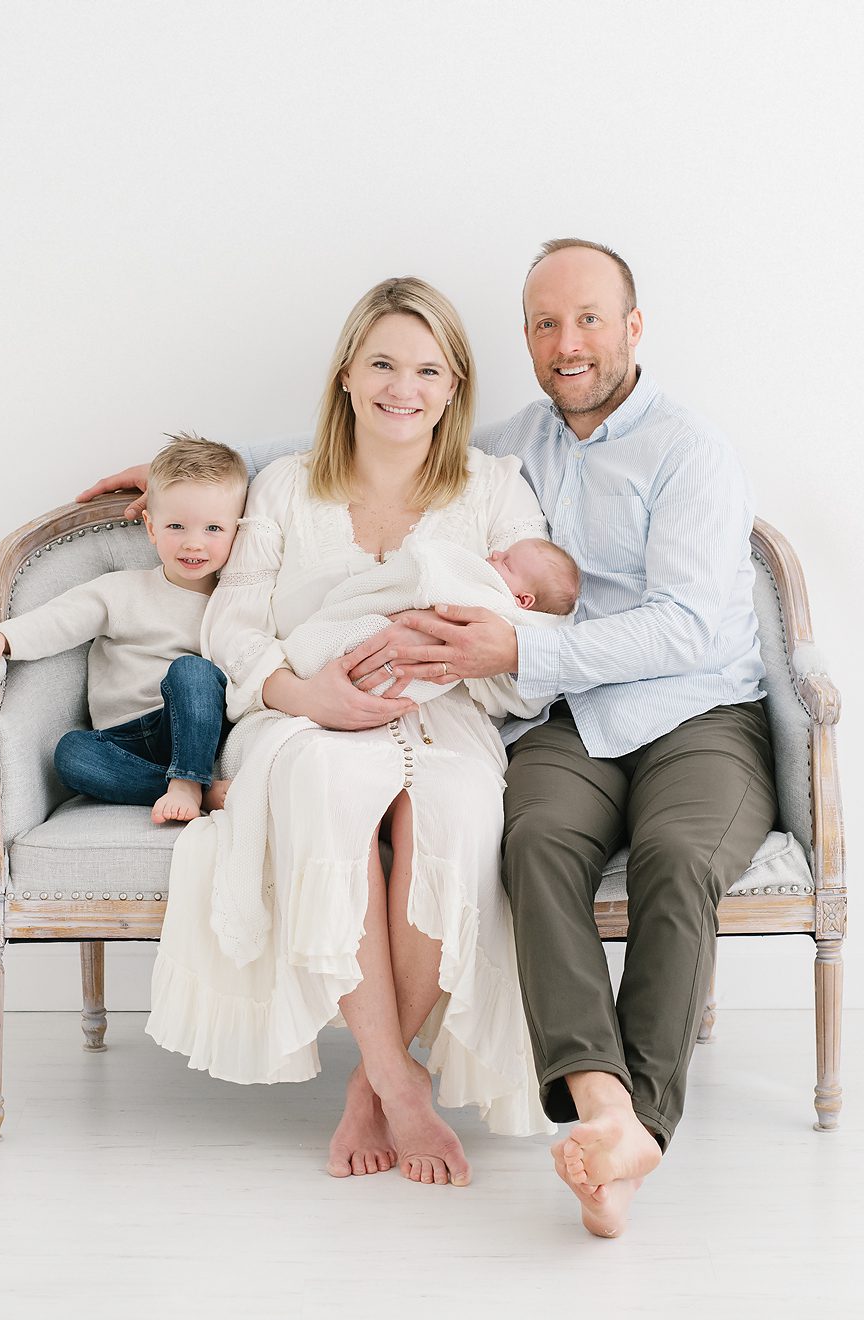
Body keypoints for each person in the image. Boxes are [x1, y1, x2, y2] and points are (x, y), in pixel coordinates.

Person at [79, 240, 775, 1238]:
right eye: (545, 323)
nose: (567, 343)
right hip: (412, 708)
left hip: (636, 708)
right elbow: (273, 559)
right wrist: (196, 484)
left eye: (587, 320)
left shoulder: (628, 459)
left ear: (632, 327)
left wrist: (490, 650)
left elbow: (646, 626)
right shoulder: (460, 454)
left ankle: (571, 1114)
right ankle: (430, 1090)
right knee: (427, 813)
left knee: (548, 827)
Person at [142, 277, 558, 1188]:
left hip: (441, 710)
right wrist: (304, 693)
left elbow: (533, 624)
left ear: (453, 389)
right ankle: (406, 1095)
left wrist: (462, 655)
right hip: (304, 709)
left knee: (452, 809)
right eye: (381, 363)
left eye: (426, 370)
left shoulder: (492, 488)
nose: (401, 387)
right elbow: (233, 626)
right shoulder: (286, 487)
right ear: (345, 373)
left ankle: (373, 1088)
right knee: (328, 788)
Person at [0, 434, 245, 823]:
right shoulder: (122, 590)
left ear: (238, 531)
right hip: (121, 740)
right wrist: (6, 637)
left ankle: (187, 779)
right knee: (70, 754)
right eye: (176, 526)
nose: (193, 544)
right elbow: (63, 617)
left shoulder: (234, 603)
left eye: (213, 529)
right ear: (151, 527)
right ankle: (196, 789)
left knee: (191, 671)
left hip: (189, 732)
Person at [276, 535, 578, 707]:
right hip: (375, 632)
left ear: (523, 601)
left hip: (421, 691)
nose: (495, 552)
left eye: (506, 561)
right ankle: (310, 663)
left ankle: (311, 658)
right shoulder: (486, 578)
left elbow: (527, 674)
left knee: (364, 641)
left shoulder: (503, 611)